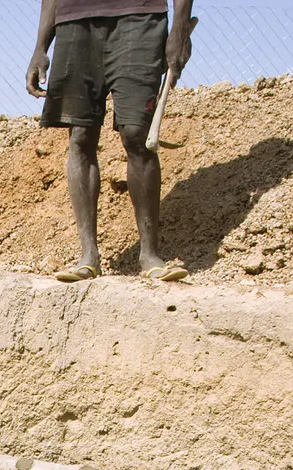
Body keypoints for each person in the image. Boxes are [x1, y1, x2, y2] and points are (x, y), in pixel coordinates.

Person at [27, 0, 196, 282]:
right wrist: (40, 47)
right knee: (80, 134)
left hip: (141, 18)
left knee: (136, 134)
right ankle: (88, 256)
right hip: (73, 22)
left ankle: (150, 255)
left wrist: (179, 30)